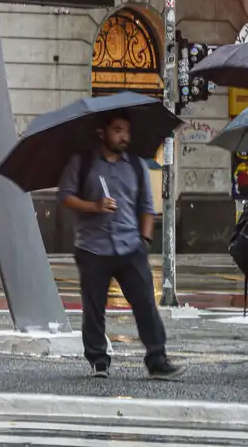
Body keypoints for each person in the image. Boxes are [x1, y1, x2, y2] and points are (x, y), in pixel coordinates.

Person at [58, 111, 185, 381]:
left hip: (130, 246)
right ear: (102, 133)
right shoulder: (83, 162)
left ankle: (157, 360)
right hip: (93, 247)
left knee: (145, 304)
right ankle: (99, 360)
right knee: (94, 309)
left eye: (126, 130)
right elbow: (66, 196)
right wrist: (94, 206)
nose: (124, 136)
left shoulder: (137, 165)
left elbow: (147, 207)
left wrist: (145, 241)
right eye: (118, 130)